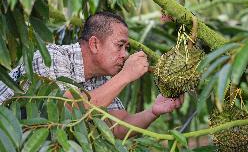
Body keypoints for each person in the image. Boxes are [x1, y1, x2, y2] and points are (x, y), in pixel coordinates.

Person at [0, 12, 184, 139]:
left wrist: (153, 111)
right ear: (95, 44)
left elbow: (117, 127)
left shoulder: (102, 78)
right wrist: (126, 75)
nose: (125, 55)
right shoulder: (51, 57)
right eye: (120, 45)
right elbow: (66, 110)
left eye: (127, 48)